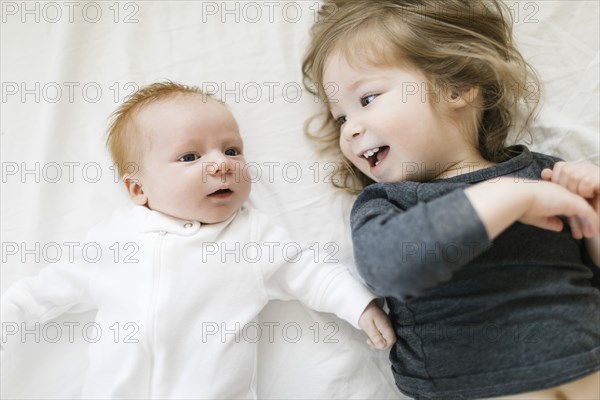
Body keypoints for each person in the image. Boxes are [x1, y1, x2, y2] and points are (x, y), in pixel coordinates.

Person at [0, 81, 396, 399]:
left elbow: (312, 273)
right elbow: (45, 291)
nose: (222, 163)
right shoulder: (113, 241)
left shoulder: (250, 237)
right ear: (138, 188)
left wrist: (359, 306)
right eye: (190, 157)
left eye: (231, 150)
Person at [301, 1, 600, 399]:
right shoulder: (390, 203)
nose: (350, 130)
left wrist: (595, 216)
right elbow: (389, 268)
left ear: (456, 87)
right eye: (340, 117)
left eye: (367, 99)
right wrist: (507, 198)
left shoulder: (544, 174)